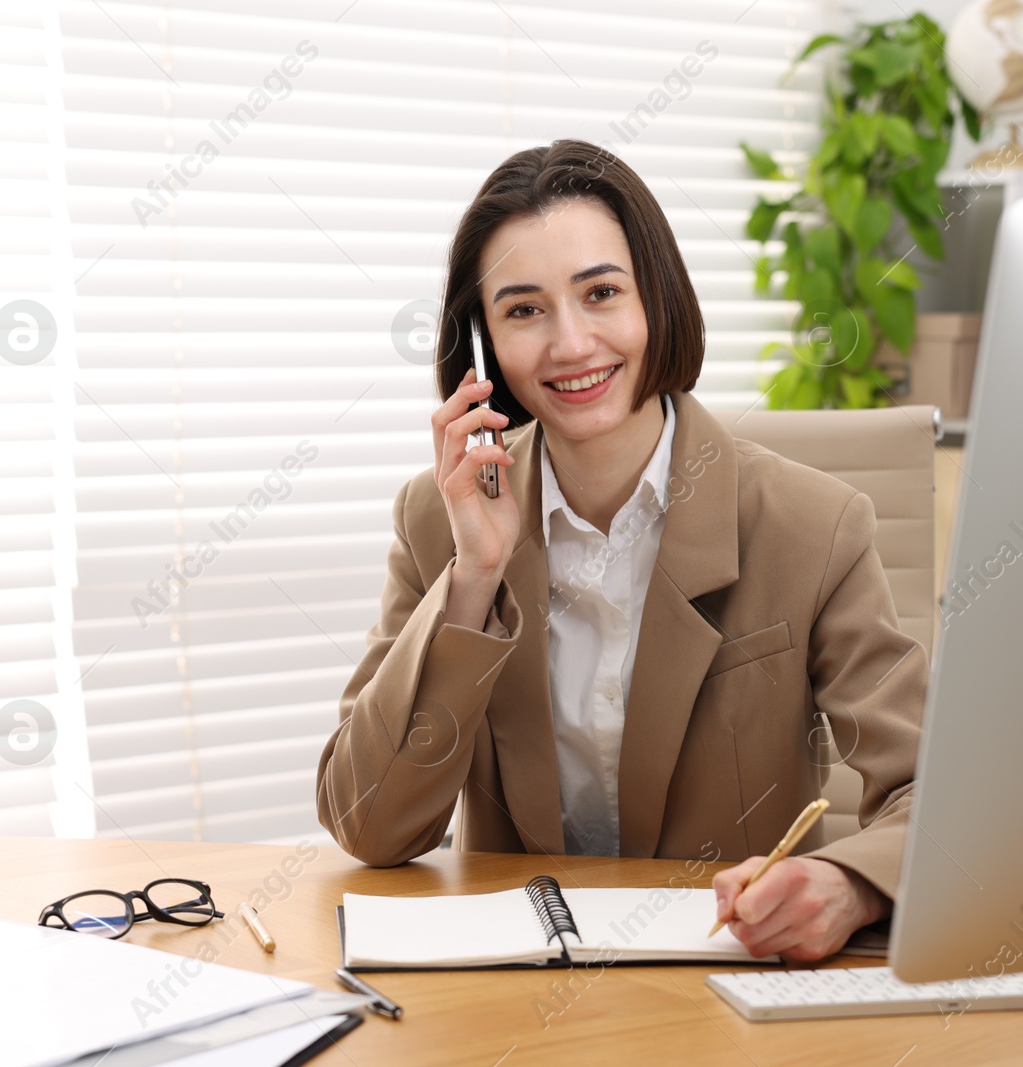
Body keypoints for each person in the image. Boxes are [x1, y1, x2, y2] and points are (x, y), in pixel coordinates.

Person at [316, 139, 926, 962]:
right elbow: (370, 823)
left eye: (601, 292)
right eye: (524, 309)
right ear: (483, 342)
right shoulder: (439, 519)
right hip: (513, 996)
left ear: (657, 299)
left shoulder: (812, 525)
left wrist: (851, 884)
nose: (570, 345)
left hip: (725, 982)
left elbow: (937, 792)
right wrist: (474, 578)